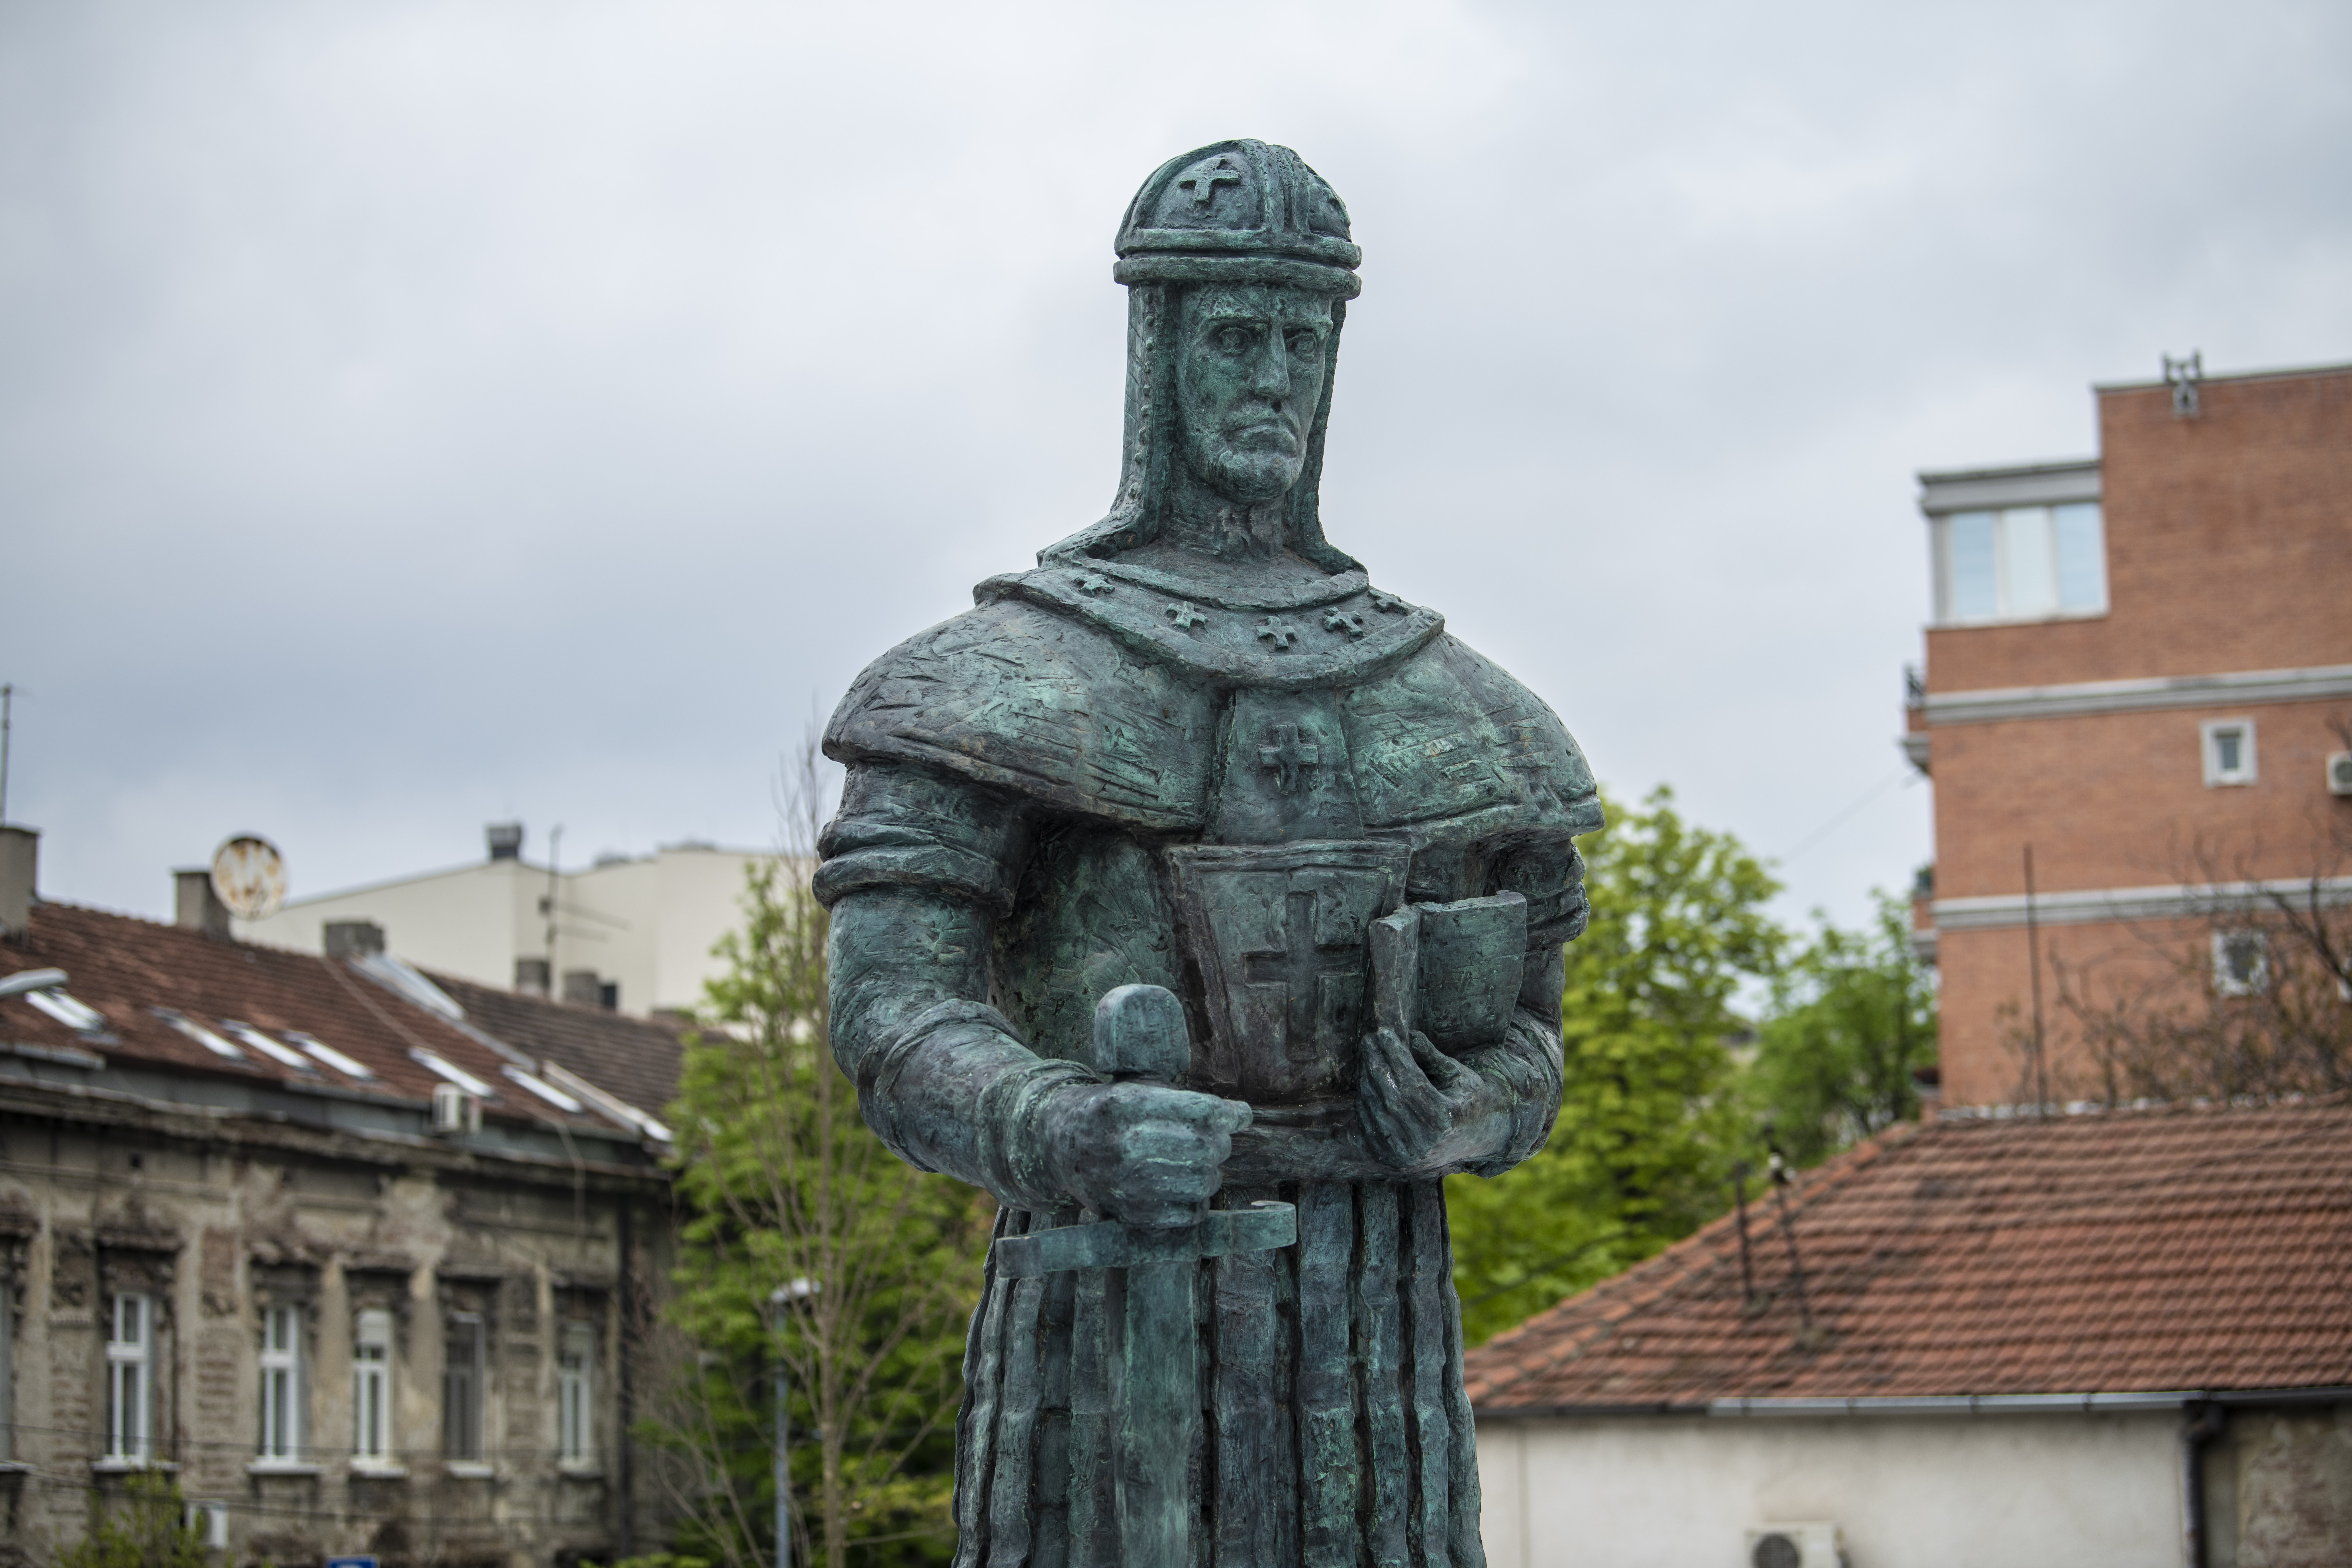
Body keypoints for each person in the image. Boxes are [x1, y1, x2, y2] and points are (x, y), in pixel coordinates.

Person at [816, 139, 1599, 1568]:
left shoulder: (1464, 710)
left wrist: (1475, 1111)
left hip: (1383, 1339)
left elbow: (1536, 1040)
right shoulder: (1004, 680)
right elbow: (892, 1011)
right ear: (1159, 351)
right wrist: (1057, 1125)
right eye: (1236, 337)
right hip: (1110, 1318)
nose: (1272, 380)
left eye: (1303, 341)